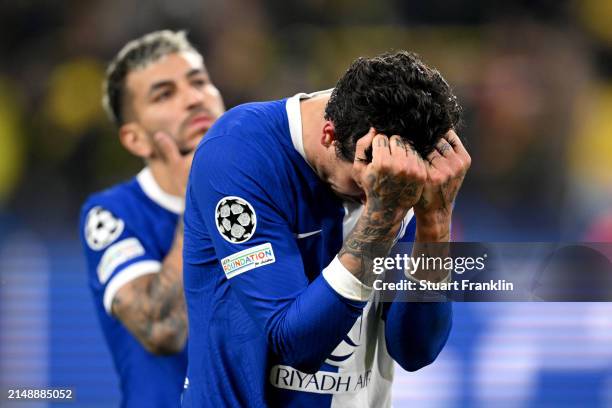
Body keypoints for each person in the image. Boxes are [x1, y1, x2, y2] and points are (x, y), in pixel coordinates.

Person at [182, 51, 470, 407]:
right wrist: (383, 217)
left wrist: (435, 223)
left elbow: (415, 350)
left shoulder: (406, 163)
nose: (374, 198)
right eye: (364, 187)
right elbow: (294, 345)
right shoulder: (239, 154)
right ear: (329, 136)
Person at [79, 30, 225, 407]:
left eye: (199, 82)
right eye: (164, 94)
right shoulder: (112, 214)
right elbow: (161, 332)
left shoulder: (270, 190)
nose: (194, 99)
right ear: (135, 140)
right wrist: (197, 202)